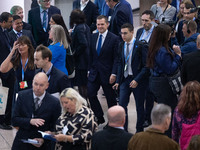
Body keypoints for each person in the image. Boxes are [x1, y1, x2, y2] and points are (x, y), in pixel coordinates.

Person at [113, 23, 149, 132]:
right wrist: (118, 81)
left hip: (138, 80)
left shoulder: (141, 46)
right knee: (122, 105)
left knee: (139, 106)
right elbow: (120, 63)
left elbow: (146, 66)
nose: (123, 36)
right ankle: (124, 130)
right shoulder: (121, 45)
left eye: (125, 33)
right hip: (125, 79)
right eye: (121, 33)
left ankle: (139, 130)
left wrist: (137, 79)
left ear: (132, 32)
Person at [147, 23, 181, 137]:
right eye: (168, 34)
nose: (170, 36)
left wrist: (173, 38)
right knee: (168, 111)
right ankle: (168, 135)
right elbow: (170, 69)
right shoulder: (162, 51)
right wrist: (178, 56)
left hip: (156, 82)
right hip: (163, 85)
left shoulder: (155, 46)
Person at [11, 72, 61, 150]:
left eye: (41, 85)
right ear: (32, 83)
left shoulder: (54, 102)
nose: (38, 88)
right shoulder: (22, 96)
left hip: (42, 145)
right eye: (36, 84)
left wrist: (44, 139)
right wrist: (30, 121)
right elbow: (14, 120)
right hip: (22, 142)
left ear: (47, 86)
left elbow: (56, 127)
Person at [87, 15, 119, 124]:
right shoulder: (93, 37)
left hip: (108, 74)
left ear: (107, 24)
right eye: (98, 24)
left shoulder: (114, 38)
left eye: (102, 24)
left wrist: (114, 73)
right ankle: (99, 117)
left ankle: (112, 122)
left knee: (111, 100)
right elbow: (91, 55)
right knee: (90, 94)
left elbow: (116, 58)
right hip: (94, 73)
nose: (100, 26)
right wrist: (89, 70)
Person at [136, 10, 156, 128]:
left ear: (152, 21)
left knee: (149, 94)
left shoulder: (156, 33)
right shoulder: (139, 31)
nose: (144, 23)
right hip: (140, 67)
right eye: (142, 20)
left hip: (151, 66)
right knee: (140, 94)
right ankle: (142, 116)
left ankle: (148, 118)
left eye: (146, 21)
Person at [69, 9, 91, 99]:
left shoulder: (78, 28)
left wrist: (74, 53)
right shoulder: (85, 26)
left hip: (81, 61)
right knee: (83, 84)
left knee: (81, 85)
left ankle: (84, 103)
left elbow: (83, 43)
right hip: (86, 59)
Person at [0, 12, 15, 130]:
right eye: (10, 22)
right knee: (2, 95)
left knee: (9, 94)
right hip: (2, 70)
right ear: (3, 22)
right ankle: (2, 121)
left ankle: (7, 119)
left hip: (9, 69)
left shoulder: (6, 32)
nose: (12, 24)